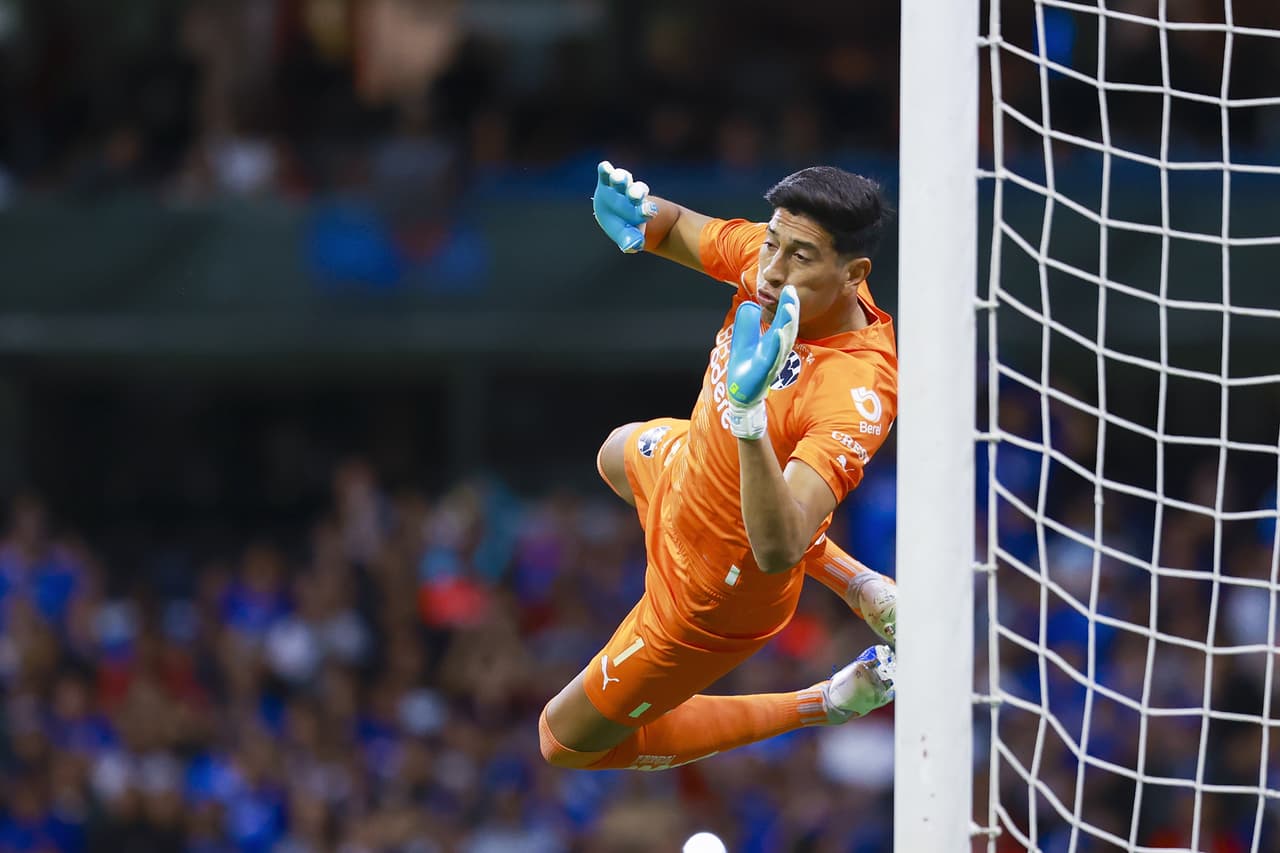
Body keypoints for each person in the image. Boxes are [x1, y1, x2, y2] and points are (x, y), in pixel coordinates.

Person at [538, 162, 899, 772]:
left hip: (712, 592)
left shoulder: (855, 391)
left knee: (564, 740)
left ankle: (823, 702)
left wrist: (748, 415)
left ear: (853, 274)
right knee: (614, 453)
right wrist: (640, 219)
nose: (771, 270)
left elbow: (779, 547)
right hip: (686, 475)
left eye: (799, 257)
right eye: (771, 243)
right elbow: (677, 226)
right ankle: (858, 582)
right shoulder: (774, 263)